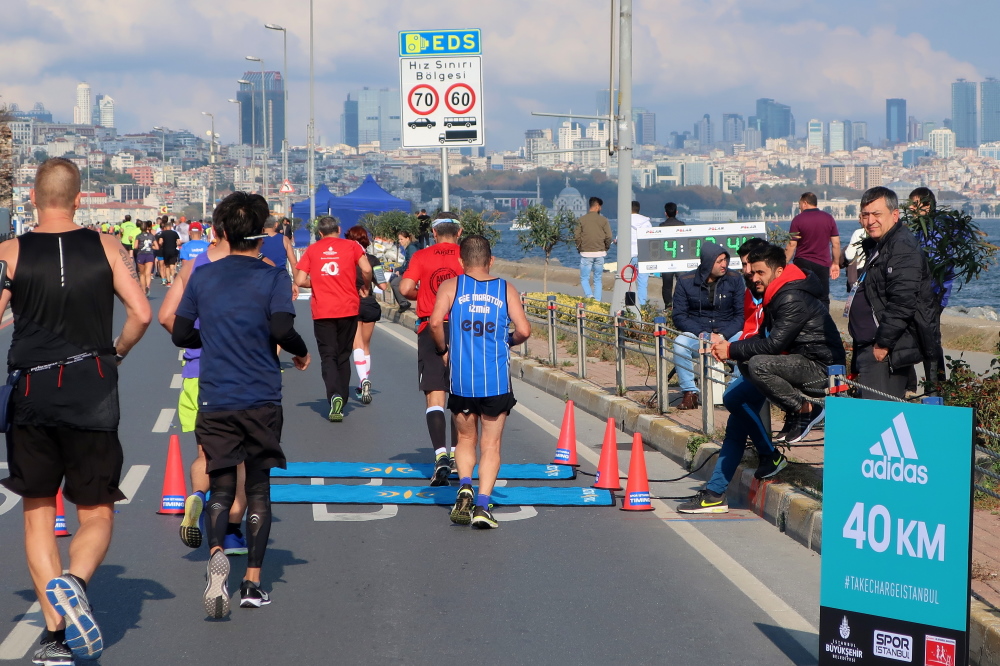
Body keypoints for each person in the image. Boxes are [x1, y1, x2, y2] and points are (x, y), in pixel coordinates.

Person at [0, 158, 151, 663]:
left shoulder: (10, 252)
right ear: (80, 199)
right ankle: (76, 581)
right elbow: (141, 313)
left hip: (32, 392)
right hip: (93, 387)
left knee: (39, 514)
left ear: (32, 198)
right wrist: (116, 353)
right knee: (97, 510)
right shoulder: (107, 246)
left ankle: (55, 637)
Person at [171, 191, 310, 617]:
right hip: (260, 395)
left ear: (222, 232)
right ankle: (252, 582)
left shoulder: (203, 275)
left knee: (221, 485)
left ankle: (216, 553)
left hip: (215, 395)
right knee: (258, 489)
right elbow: (282, 328)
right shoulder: (273, 277)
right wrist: (301, 350)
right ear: (262, 234)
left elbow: (180, 333)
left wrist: (211, 335)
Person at [159, 217, 250, 557]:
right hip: (237, 373)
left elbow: (165, 316)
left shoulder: (193, 265)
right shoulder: (256, 266)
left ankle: (197, 495)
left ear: (215, 232)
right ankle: (231, 533)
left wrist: (198, 343)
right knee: (240, 458)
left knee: (204, 454)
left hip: (196, 373)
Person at [429, 235, 531, 528]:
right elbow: (524, 330)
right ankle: (483, 505)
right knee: (491, 445)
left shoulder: (452, 286)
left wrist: (443, 350)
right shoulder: (505, 288)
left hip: (462, 379)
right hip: (495, 380)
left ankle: (464, 486)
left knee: (464, 439)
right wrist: (507, 341)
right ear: (491, 260)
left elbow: (434, 323)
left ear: (461, 261)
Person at [678, 239, 786, 514]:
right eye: (745, 266)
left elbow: (771, 338)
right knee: (735, 426)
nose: (747, 272)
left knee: (733, 399)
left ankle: (769, 455)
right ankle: (716, 492)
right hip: (750, 359)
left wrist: (731, 347)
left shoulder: (782, 293)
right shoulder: (750, 289)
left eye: (753, 267)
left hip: (773, 365)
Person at [711, 244, 846, 444]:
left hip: (822, 368)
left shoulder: (791, 297)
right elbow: (764, 336)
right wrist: (733, 348)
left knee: (758, 364)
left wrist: (731, 349)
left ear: (779, 271)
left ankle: (807, 409)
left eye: (760, 273)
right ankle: (794, 410)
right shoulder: (776, 293)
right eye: (753, 272)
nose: (754, 278)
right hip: (802, 359)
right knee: (746, 362)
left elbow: (773, 344)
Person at [848, 187, 939, 400]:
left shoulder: (902, 248)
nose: (870, 221)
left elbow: (902, 301)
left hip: (884, 351)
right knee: (875, 412)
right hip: (871, 346)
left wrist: (883, 344)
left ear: (895, 215)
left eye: (876, 214)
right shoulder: (879, 245)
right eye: (865, 215)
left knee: (880, 414)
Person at [399, 214, 464, 486]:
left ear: (434, 233)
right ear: (459, 232)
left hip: (430, 326)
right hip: (462, 327)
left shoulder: (421, 256)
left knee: (435, 396)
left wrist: (426, 293)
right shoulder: (466, 255)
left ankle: (440, 456)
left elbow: (405, 288)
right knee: (461, 396)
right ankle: (459, 456)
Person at [294, 216, 372, 422]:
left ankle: (334, 395)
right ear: (339, 229)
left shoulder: (312, 250)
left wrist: (319, 281)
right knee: (343, 355)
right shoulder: (352, 246)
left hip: (323, 311)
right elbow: (366, 269)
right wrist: (365, 285)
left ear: (320, 233)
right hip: (348, 308)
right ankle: (343, 398)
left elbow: (300, 280)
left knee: (328, 356)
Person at [670, 242, 745, 410]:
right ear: (708, 262)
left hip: (727, 333)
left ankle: (733, 391)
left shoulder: (735, 279)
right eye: (719, 261)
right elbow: (679, 316)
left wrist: (722, 336)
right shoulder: (685, 281)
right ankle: (690, 393)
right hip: (698, 334)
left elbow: (741, 315)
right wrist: (704, 334)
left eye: (725, 260)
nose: (724, 264)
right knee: (680, 344)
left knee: (745, 341)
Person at [908, 187, 952, 382]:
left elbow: (938, 264)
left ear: (927, 205)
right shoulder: (919, 229)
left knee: (931, 341)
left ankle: (936, 385)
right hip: (922, 293)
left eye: (914, 204)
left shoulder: (937, 230)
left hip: (933, 294)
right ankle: (930, 384)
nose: (910, 208)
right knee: (924, 339)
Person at [344, 225, 388, 404]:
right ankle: (363, 384)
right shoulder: (373, 260)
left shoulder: (346, 259)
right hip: (369, 304)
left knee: (357, 345)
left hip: (352, 303)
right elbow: (383, 285)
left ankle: (363, 381)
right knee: (366, 346)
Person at [784, 192, 841, 307]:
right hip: (823, 263)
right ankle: (824, 318)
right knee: (823, 297)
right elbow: (836, 243)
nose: (799, 207)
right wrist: (835, 263)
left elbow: (791, 244)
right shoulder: (828, 218)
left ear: (805, 203)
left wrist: (784, 263)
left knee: (802, 295)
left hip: (802, 261)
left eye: (800, 204)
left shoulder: (797, 220)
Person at [574, 196, 612, 301]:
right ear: (597, 206)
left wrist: (579, 247)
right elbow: (609, 236)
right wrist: (606, 247)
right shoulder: (603, 220)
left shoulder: (581, 220)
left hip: (586, 253)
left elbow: (576, 236)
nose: (601, 209)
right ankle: (597, 300)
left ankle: (589, 295)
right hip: (600, 253)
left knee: (584, 278)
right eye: (600, 206)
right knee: (598, 279)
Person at [659, 202, 683, 309]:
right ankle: (679, 305)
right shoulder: (682, 225)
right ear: (676, 212)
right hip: (680, 259)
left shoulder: (662, 226)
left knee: (667, 286)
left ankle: (668, 307)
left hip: (666, 259)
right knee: (682, 284)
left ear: (665, 213)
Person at [628, 200, 652, 306]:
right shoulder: (646, 222)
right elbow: (651, 239)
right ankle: (642, 305)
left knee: (628, 282)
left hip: (628, 255)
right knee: (642, 283)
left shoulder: (625, 221)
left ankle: (629, 305)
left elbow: (620, 238)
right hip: (643, 255)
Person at [389, 230, 417, 310]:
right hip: (409, 270)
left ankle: (404, 303)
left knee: (395, 283)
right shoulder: (409, 247)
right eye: (399, 239)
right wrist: (399, 269)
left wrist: (401, 271)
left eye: (402, 239)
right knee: (393, 278)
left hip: (412, 272)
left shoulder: (411, 248)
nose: (400, 241)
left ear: (407, 238)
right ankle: (403, 302)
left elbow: (410, 262)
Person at [135, 221, 157, 295]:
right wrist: (150, 246)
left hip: (141, 254)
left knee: (142, 274)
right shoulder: (151, 236)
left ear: (140, 228)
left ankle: (144, 290)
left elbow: (135, 246)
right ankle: (148, 286)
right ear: (147, 228)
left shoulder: (138, 236)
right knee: (148, 273)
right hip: (149, 254)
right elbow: (157, 247)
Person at [156, 218, 181, 285]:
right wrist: (174, 244)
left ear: (165, 227)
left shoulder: (163, 233)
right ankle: (172, 279)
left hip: (165, 251)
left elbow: (160, 242)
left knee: (167, 266)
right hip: (173, 250)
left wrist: (163, 244)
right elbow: (179, 242)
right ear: (170, 227)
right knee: (172, 266)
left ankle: (168, 281)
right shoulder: (175, 233)